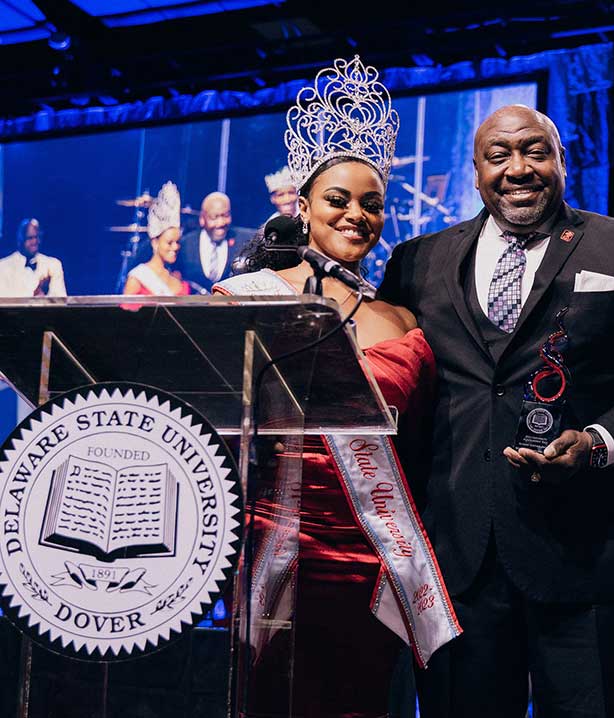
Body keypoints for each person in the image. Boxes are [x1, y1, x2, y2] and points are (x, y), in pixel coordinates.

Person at [378, 103, 614, 717]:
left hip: (589, 559)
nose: (518, 169)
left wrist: (598, 441)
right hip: (458, 564)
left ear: (562, 161)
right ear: (475, 172)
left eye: (535, 151)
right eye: (498, 156)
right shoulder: (416, 261)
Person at [214, 56, 458, 718]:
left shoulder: (402, 320)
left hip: (375, 554)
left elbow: (424, 445)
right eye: (338, 200)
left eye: (372, 204)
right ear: (303, 207)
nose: (356, 215)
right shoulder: (245, 299)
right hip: (276, 547)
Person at [123, 182, 191, 296]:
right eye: (169, 243)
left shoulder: (178, 277)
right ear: (155, 243)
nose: (175, 247)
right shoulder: (138, 278)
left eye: (177, 242)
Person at [177, 191, 249, 290]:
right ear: (202, 219)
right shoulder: (185, 244)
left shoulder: (245, 240)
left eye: (226, 215)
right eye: (214, 217)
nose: (220, 223)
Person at [0, 218, 66, 297]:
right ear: (20, 240)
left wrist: (43, 295)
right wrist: (34, 297)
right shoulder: (3, 267)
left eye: (37, 237)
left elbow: (61, 301)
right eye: (30, 238)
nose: (35, 242)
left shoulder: (53, 265)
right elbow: (4, 300)